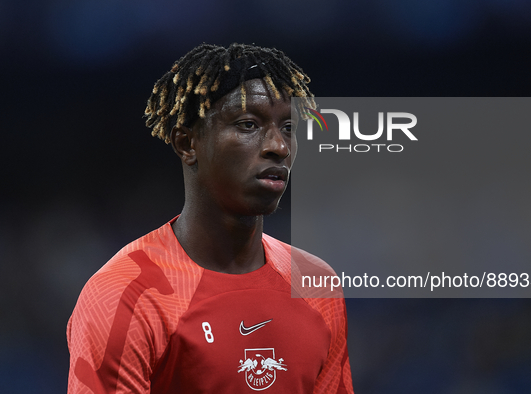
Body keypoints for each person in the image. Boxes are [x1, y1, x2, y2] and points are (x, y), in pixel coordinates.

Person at [67, 43, 354, 393]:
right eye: (249, 124)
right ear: (187, 143)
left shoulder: (316, 284)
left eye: (289, 128)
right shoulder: (125, 295)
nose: (278, 146)